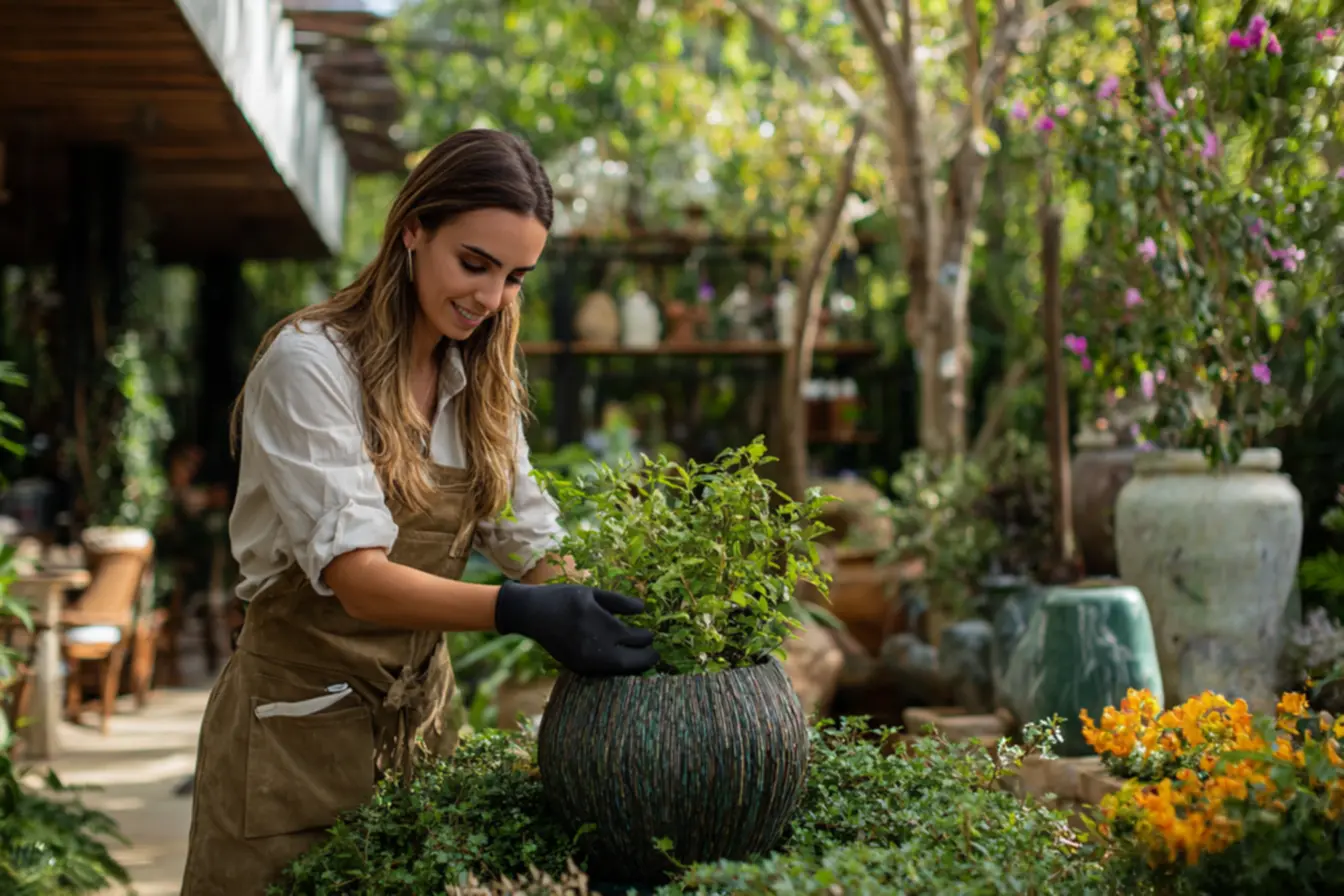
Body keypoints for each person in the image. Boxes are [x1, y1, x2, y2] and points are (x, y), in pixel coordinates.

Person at [181, 129, 659, 895]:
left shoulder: (478, 379)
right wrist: (523, 612)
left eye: (514, 277)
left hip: (422, 729)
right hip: (292, 738)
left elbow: (528, 540)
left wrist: (626, 618)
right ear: (413, 227)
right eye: (475, 263)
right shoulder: (311, 363)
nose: (491, 298)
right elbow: (360, 579)